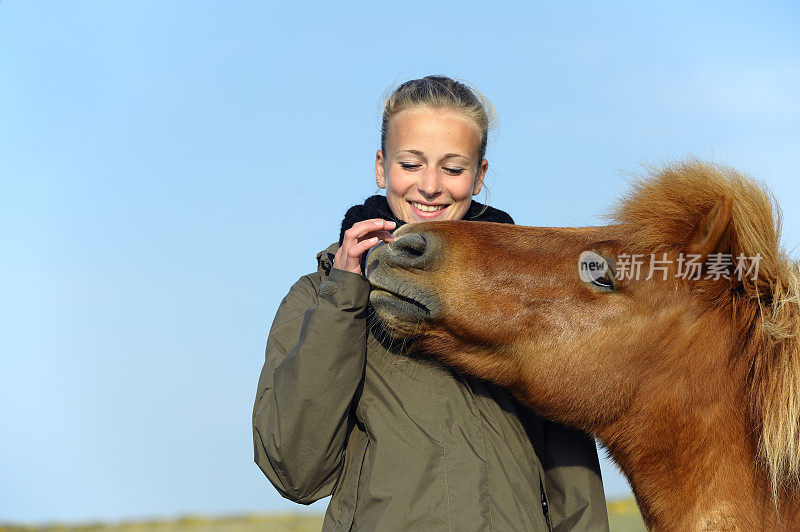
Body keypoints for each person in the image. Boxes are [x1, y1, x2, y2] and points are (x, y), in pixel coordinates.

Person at [252, 75, 609, 531]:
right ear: (382, 167)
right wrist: (345, 294)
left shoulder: (532, 297)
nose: (430, 186)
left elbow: (576, 493)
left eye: (454, 169)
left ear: (480, 176)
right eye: (411, 164)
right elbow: (295, 472)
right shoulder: (318, 298)